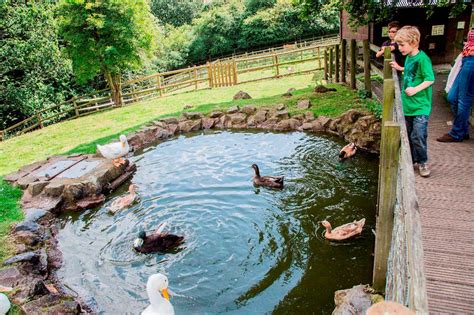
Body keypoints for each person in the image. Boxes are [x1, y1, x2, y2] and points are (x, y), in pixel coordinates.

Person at [390, 26, 435, 177]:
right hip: (408, 105)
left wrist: (415, 89)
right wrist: (399, 68)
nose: (399, 48)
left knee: (418, 135)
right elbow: (410, 72)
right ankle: (412, 159)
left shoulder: (423, 59)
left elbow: (430, 79)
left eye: (402, 45)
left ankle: (423, 162)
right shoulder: (409, 57)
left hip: (420, 106)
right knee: (409, 134)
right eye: (398, 45)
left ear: (414, 42)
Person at [436, 29, 474, 142]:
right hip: (466, 59)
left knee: (464, 100)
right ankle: (463, 129)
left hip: (472, 61)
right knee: (452, 97)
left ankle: (457, 133)